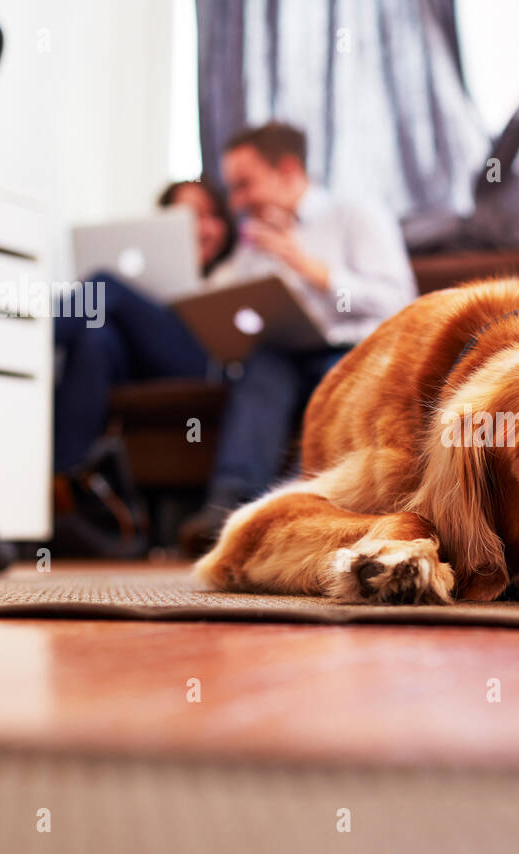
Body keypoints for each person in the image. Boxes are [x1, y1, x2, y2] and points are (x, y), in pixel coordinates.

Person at [176, 121, 417, 552]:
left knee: (324, 378)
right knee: (262, 368)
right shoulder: (256, 239)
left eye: (245, 185)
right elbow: (227, 303)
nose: (238, 202)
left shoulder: (354, 214)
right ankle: (227, 511)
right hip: (285, 353)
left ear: (287, 171)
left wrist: (309, 268)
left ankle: (298, 512)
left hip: (352, 350)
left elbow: (400, 301)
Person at [51, 180, 236, 555]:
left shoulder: (235, 271)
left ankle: (29, 338)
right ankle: (64, 490)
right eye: (185, 218)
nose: (200, 228)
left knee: (106, 286)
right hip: (139, 366)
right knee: (96, 337)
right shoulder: (146, 280)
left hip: (202, 364)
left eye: (208, 216)